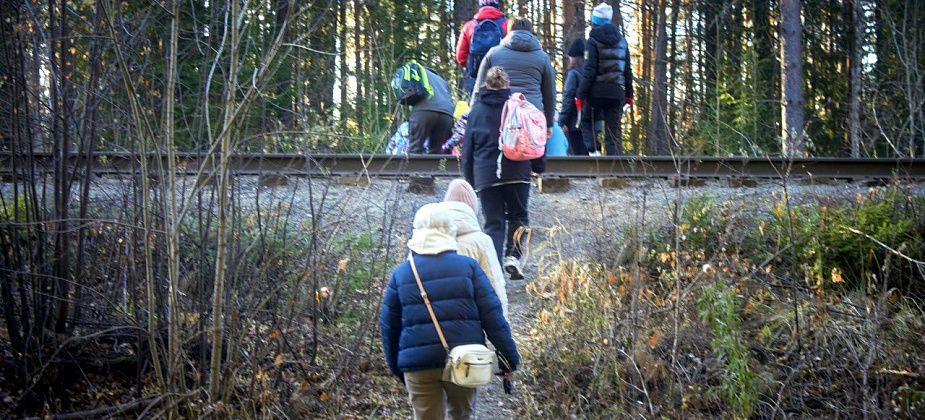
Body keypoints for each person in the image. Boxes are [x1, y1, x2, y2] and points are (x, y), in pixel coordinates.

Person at [380, 203, 519, 419]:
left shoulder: (402, 273)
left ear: (417, 231)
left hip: (418, 365)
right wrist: (508, 360)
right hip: (465, 360)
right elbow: (493, 317)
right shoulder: (468, 267)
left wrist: (399, 367)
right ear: (450, 230)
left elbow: (389, 327)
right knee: (463, 416)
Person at [463, 66, 544, 280]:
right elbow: (534, 138)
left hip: (486, 176)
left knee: (493, 223)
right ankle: (513, 258)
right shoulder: (519, 107)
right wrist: (538, 167)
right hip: (517, 171)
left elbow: (467, 151)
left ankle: (493, 268)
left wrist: (471, 180)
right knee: (518, 216)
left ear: (485, 85)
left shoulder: (475, 112)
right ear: (507, 85)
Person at [471, 18, 557, 135]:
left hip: (500, 115)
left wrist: (472, 118)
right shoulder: (543, 57)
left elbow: (479, 89)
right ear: (531, 32)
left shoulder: (493, 53)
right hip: (533, 117)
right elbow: (549, 93)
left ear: (508, 31)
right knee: (532, 150)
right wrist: (549, 123)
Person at [442, 179, 508, 318]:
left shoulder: (423, 238)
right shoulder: (482, 242)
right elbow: (495, 290)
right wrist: (502, 332)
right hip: (468, 329)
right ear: (473, 209)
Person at [576, 3, 634, 156]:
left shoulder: (592, 41)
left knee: (587, 121)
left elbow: (589, 71)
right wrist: (629, 95)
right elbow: (627, 71)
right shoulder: (622, 41)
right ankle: (615, 169)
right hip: (617, 92)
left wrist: (580, 95)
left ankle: (594, 152)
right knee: (613, 134)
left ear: (594, 21)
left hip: (596, 91)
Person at [456, 0, 511, 95]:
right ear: (497, 5)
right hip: (502, 75)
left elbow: (461, 57)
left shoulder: (469, 26)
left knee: (476, 105)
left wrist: (472, 66)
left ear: (480, 5)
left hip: (476, 75)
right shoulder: (507, 24)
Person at [407, 67, 456, 154]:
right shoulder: (442, 80)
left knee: (414, 149)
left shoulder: (418, 72)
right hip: (446, 114)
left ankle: (414, 167)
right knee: (436, 151)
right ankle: (434, 167)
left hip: (423, 110)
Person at [559, 38, 591, 155]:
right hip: (591, 121)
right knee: (591, 154)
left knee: (579, 155)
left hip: (576, 122)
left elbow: (568, 98)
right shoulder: (591, 72)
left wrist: (561, 122)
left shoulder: (573, 74)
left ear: (573, 58)